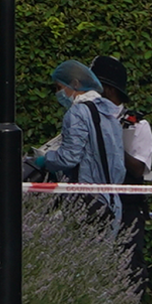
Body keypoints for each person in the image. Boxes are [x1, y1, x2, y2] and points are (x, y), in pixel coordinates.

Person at [90, 55, 152, 304]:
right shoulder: (88, 117)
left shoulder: (136, 125)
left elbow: (139, 168)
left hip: (127, 208)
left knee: (129, 275)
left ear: (108, 89)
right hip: (97, 204)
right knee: (95, 273)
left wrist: (116, 141)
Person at [33, 60, 126, 223]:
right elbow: (118, 164)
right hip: (112, 203)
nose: (57, 93)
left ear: (75, 83)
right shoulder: (109, 112)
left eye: (59, 87)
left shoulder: (77, 112)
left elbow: (69, 157)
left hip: (85, 201)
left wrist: (44, 160)